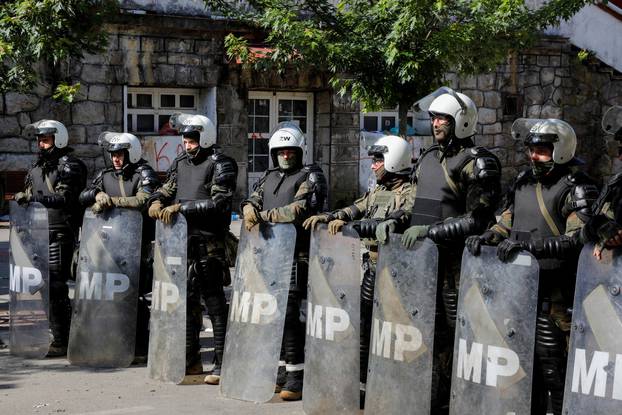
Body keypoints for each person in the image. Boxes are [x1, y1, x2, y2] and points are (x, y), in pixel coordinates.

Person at [466, 118, 598, 415]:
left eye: (541, 150)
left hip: (555, 296)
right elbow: (507, 220)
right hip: (518, 290)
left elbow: (577, 239)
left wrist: (530, 247)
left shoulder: (576, 188)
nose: (533, 156)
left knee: (554, 367)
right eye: (531, 150)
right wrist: (487, 236)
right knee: (522, 366)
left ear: (560, 150)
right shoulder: (523, 181)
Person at [389, 90, 501, 413]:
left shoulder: (477, 163)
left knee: (462, 338)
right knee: (429, 335)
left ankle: (465, 402)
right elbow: (414, 205)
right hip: (424, 265)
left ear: (461, 122)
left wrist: (431, 231)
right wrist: (395, 221)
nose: (435, 123)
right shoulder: (426, 159)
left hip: (459, 268)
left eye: (442, 119)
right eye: (434, 118)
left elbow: (479, 218)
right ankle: (434, 400)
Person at [303, 135, 413, 406]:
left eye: (379, 160)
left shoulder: (410, 192)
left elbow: (391, 222)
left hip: (396, 275)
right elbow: (358, 207)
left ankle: (396, 385)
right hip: (372, 268)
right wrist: (332, 217)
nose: (374, 165)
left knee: (393, 333)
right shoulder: (378, 189)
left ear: (394, 161)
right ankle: (363, 384)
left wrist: (353, 228)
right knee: (364, 328)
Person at [147, 113, 238, 384]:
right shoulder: (181, 163)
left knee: (214, 303)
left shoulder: (221, 164)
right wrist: (155, 201)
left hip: (210, 242)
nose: (187, 145)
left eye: (192, 140)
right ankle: (190, 360)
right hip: (182, 240)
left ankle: (222, 364)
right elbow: (167, 188)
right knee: (186, 302)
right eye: (185, 141)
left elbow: (219, 203)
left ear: (205, 137)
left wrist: (181, 207)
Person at [241, 121, 327, 401]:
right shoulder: (268, 176)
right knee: (272, 314)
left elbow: (299, 209)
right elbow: (252, 198)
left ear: (299, 151)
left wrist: (263, 216)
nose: (285, 156)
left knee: (290, 314)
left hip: (297, 254)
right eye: (280, 151)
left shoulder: (310, 175)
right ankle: (279, 372)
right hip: (268, 253)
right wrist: (248, 208)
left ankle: (296, 376)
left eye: (290, 151)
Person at [78, 132, 160, 361]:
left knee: (135, 294)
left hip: (138, 242)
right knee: (111, 293)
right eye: (113, 154)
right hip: (109, 242)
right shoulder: (105, 175)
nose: (115, 159)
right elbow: (83, 196)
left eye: (120, 154)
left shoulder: (144, 173)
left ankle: (140, 347)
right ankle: (112, 339)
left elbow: (143, 200)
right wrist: (97, 193)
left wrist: (112, 201)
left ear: (131, 153)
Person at [14, 119, 87, 356]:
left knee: (56, 285)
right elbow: (30, 190)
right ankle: (59, 335)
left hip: (60, 231)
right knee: (42, 287)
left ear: (59, 138)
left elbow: (66, 198)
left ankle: (64, 339)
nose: (41, 144)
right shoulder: (37, 166)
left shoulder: (70, 165)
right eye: (39, 140)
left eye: (45, 139)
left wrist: (36, 199)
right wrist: (22, 197)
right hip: (37, 232)